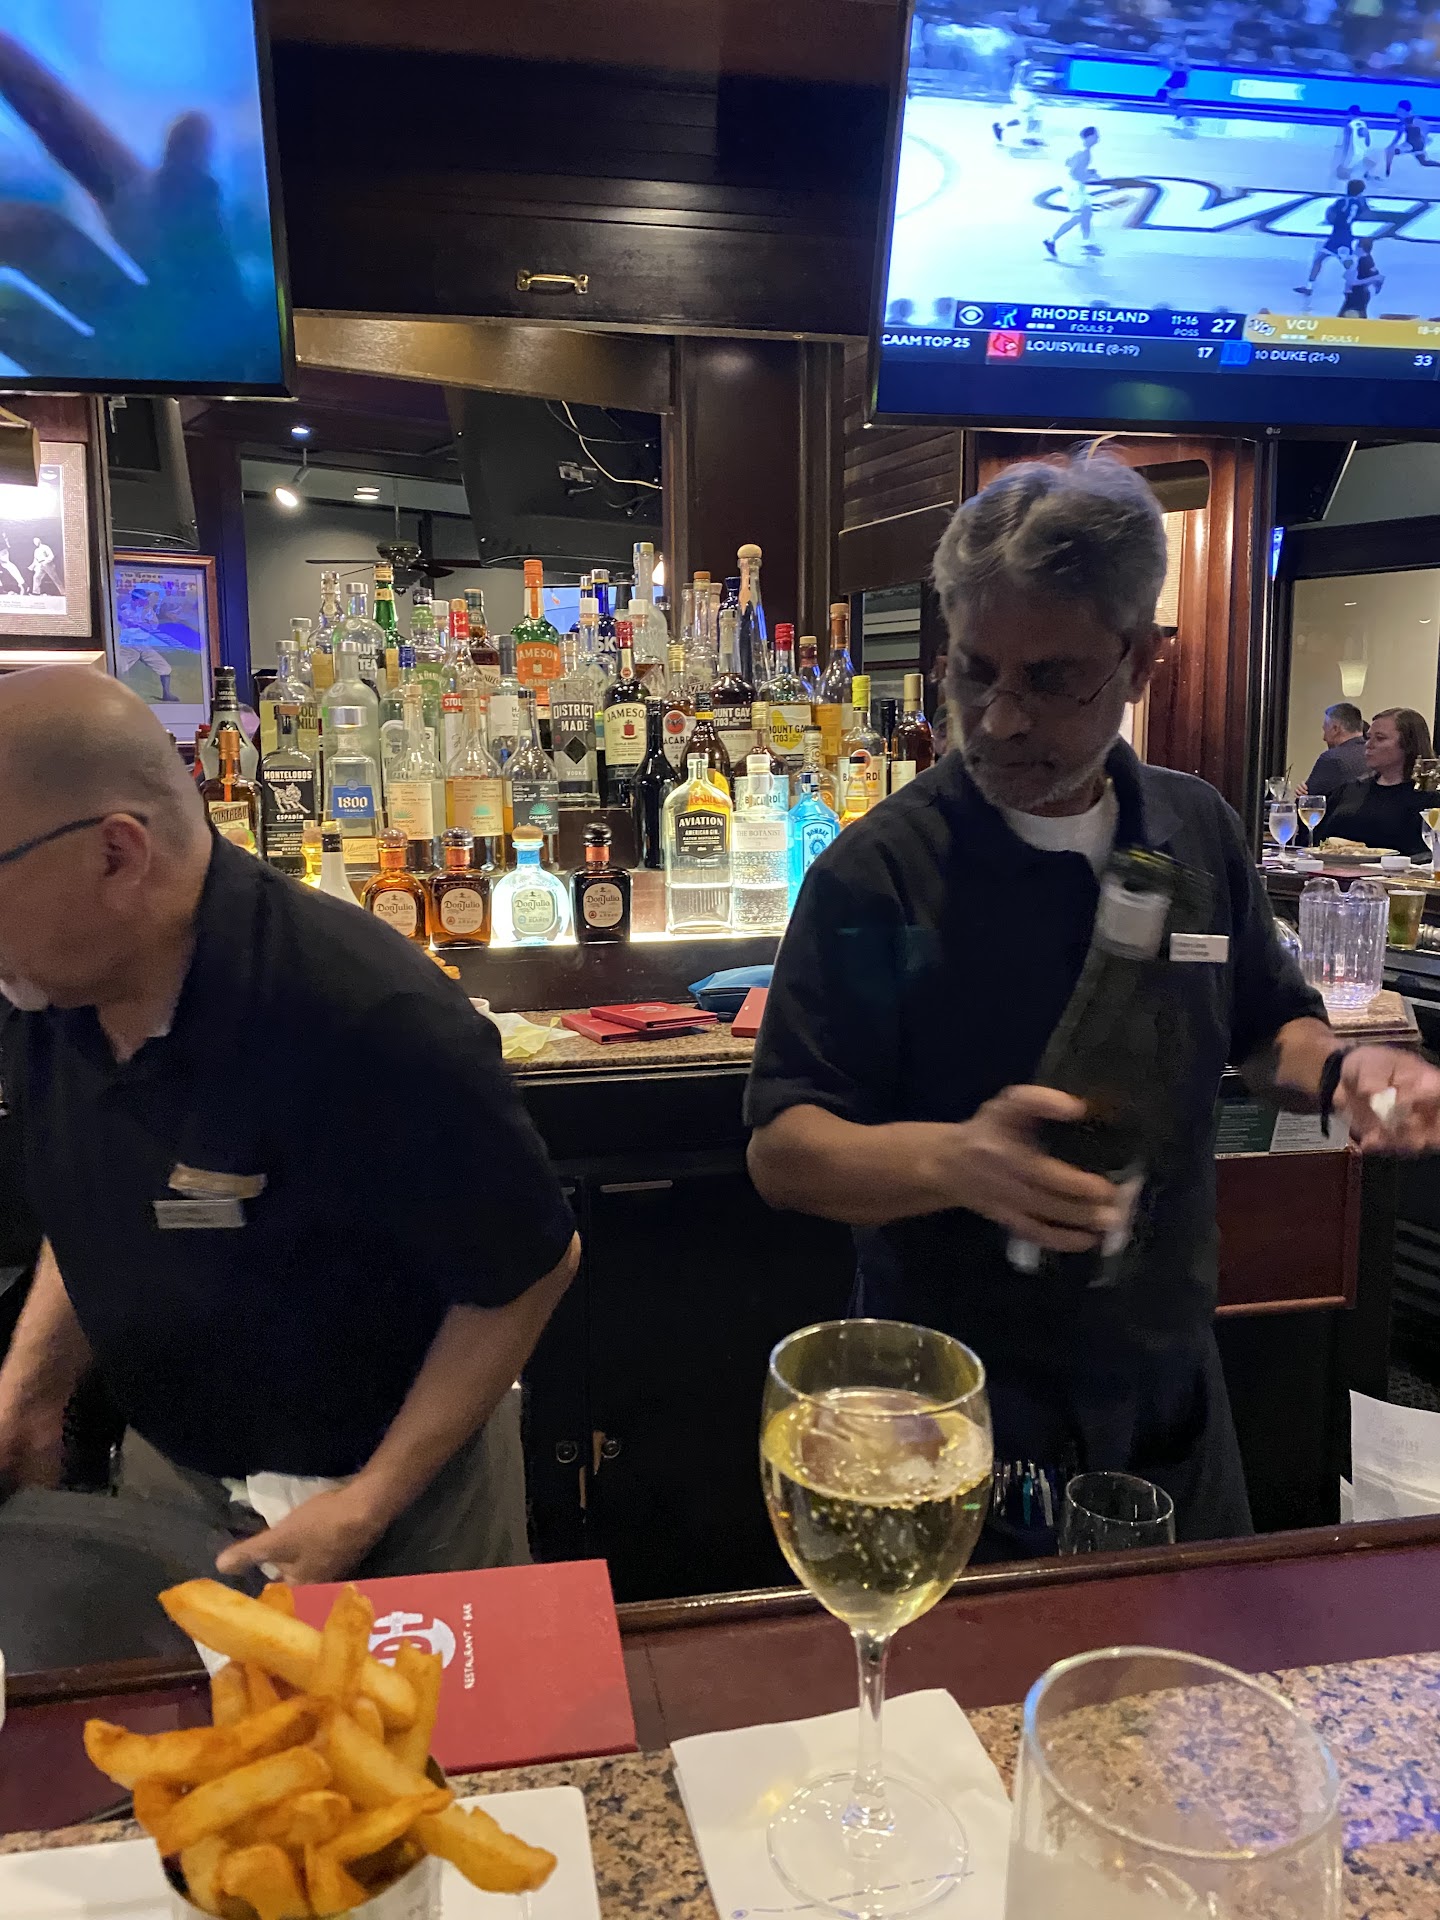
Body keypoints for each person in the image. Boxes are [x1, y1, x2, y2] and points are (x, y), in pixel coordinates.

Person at [745, 454, 1440, 1558]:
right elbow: (785, 1146)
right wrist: (956, 1161)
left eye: (1051, 678)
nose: (999, 719)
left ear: (1141, 662)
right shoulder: (881, 876)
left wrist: (1346, 1072)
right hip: (952, 1409)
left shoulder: (1195, 828)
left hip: (1166, 1378)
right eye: (974, 672)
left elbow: (1268, 1024)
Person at [0, 669, 580, 1583]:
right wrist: (31, 1388)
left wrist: (369, 1501)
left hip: (405, 1486)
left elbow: (529, 1270)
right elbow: (99, 1203)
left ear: (116, 854)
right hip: (175, 1471)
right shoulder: (49, 990)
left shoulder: (367, 1013)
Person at [1318, 706, 1433, 859]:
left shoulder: (1428, 798)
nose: (1368, 744)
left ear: (1408, 745)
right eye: (1368, 737)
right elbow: (1318, 840)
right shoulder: (1350, 790)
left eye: (1380, 738)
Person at [1295, 180, 1371, 297]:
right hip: (1344, 235)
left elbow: (1331, 215)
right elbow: (1363, 213)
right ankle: (1309, 288)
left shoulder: (1342, 202)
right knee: (1321, 259)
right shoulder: (1360, 203)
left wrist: (1331, 216)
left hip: (1339, 235)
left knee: (1346, 264)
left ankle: (1359, 286)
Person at [1045, 128, 1103, 260]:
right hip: (1074, 186)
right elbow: (1075, 173)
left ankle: (1087, 241)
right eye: (1096, 136)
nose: (1098, 139)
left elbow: (1069, 163)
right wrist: (1091, 175)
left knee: (1087, 212)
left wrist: (1087, 171)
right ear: (1089, 137)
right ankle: (1051, 239)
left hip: (1074, 185)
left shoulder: (1080, 150)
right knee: (1078, 216)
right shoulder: (1084, 152)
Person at [1304, 702, 1369, 798]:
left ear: (1335, 729)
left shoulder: (1331, 759)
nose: (1324, 738)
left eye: (1325, 730)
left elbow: (1310, 802)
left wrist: (1301, 796)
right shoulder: (1374, 755)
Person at [1385, 102, 1440, 174]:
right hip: (1414, 144)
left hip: (1414, 144)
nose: (1396, 112)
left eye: (1398, 110)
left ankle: (1387, 172)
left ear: (1402, 110)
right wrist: (1391, 145)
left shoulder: (1412, 121)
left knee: (1390, 151)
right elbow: (1399, 135)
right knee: (1424, 162)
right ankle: (1387, 171)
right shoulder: (1405, 122)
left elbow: (1423, 129)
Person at [1339, 240, 1384, 318]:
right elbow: (1376, 275)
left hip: (1356, 295)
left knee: (1346, 319)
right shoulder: (1368, 259)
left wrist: (1373, 279)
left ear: (1360, 248)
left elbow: (1352, 282)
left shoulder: (1361, 261)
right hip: (1361, 294)